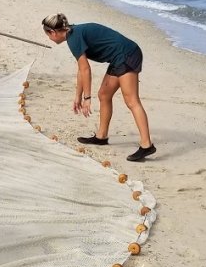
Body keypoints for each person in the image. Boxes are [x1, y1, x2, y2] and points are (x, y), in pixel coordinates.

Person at [41, 14, 156, 162]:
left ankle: (147, 145)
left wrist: (87, 98)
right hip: (118, 57)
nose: (49, 39)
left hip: (127, 54)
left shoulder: (73, 38)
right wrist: (78, 96)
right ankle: (101, 137)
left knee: (132, 101)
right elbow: (81, 70)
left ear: (53, 32)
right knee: (104, 95)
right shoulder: (73, 33)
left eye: (48, 35)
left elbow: (86, 70)